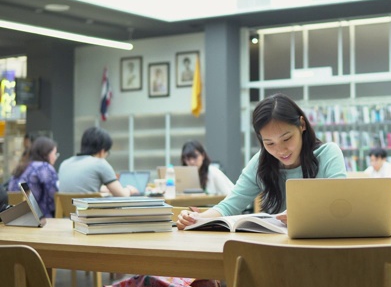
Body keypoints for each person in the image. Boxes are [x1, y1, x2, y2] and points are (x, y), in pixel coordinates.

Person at [177, 93, 346, 229]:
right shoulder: (261, 162)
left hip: (322, 246)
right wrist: (196, 218)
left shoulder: (328, 154)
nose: (280, 150)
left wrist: (304, 214)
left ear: (302, 125)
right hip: (275, 249)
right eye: (269, 143)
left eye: (286, 139)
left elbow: (341, 205)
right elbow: (230, 205)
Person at [58, 127, 139, 196]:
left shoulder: (65, 163)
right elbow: (122, 195)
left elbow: (80, 187)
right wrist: (129, 189)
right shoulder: (99, 163)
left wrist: (101, 188)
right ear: (102, 151)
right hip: (90, 213)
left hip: (69, 213)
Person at [8, 136, 59, 217]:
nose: (55, 157)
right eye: (54, 153)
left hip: (16, 218)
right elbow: (54, 199)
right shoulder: (45, 167)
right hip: (40, 219)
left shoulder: (21, 167)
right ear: (46, 154)